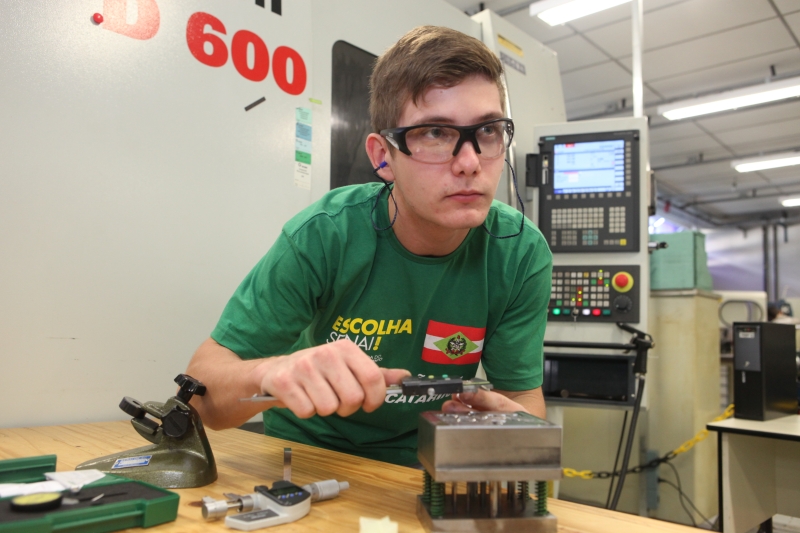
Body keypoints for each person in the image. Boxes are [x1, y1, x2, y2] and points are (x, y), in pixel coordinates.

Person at [185, 25, 552, 466]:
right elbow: (198, 396)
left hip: (424, 462)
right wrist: (268, 373)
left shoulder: (519, 252)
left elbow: (521, 395)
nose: (470, 163)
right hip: (301, 455)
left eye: (488, 131)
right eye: (435, 133)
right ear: (382, 157)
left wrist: (517, 445)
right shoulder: (325, 235)